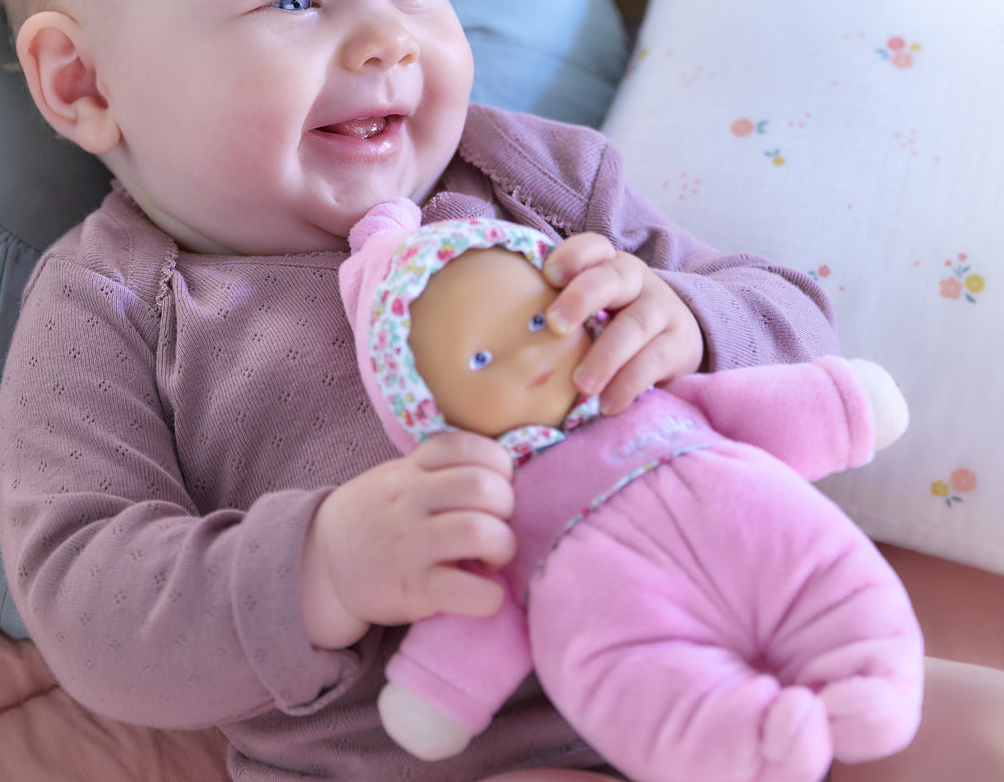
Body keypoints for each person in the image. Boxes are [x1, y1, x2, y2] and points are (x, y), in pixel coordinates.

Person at [0, 0, 1004, 782]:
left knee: (980, 731)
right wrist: (323, 569)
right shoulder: (111, 307)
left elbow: (795, 315)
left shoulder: (526, 175)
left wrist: (691, 321)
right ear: (83, 82)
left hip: (754, 648)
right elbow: (90, 603)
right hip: (461, 748)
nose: (389, 38)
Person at [338, 200, 923, 782]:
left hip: (758, 533)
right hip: (621, 620)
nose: (530, 355)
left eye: (539, 321)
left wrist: (843, 404)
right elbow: (482, 608)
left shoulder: (655, 393)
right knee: (640, 680)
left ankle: (870, 677)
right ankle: (747, 746)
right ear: (422, 406)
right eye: (482, 359)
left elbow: (757, 404)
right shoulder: (493, 505)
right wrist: (438, 690)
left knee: (821, 568)